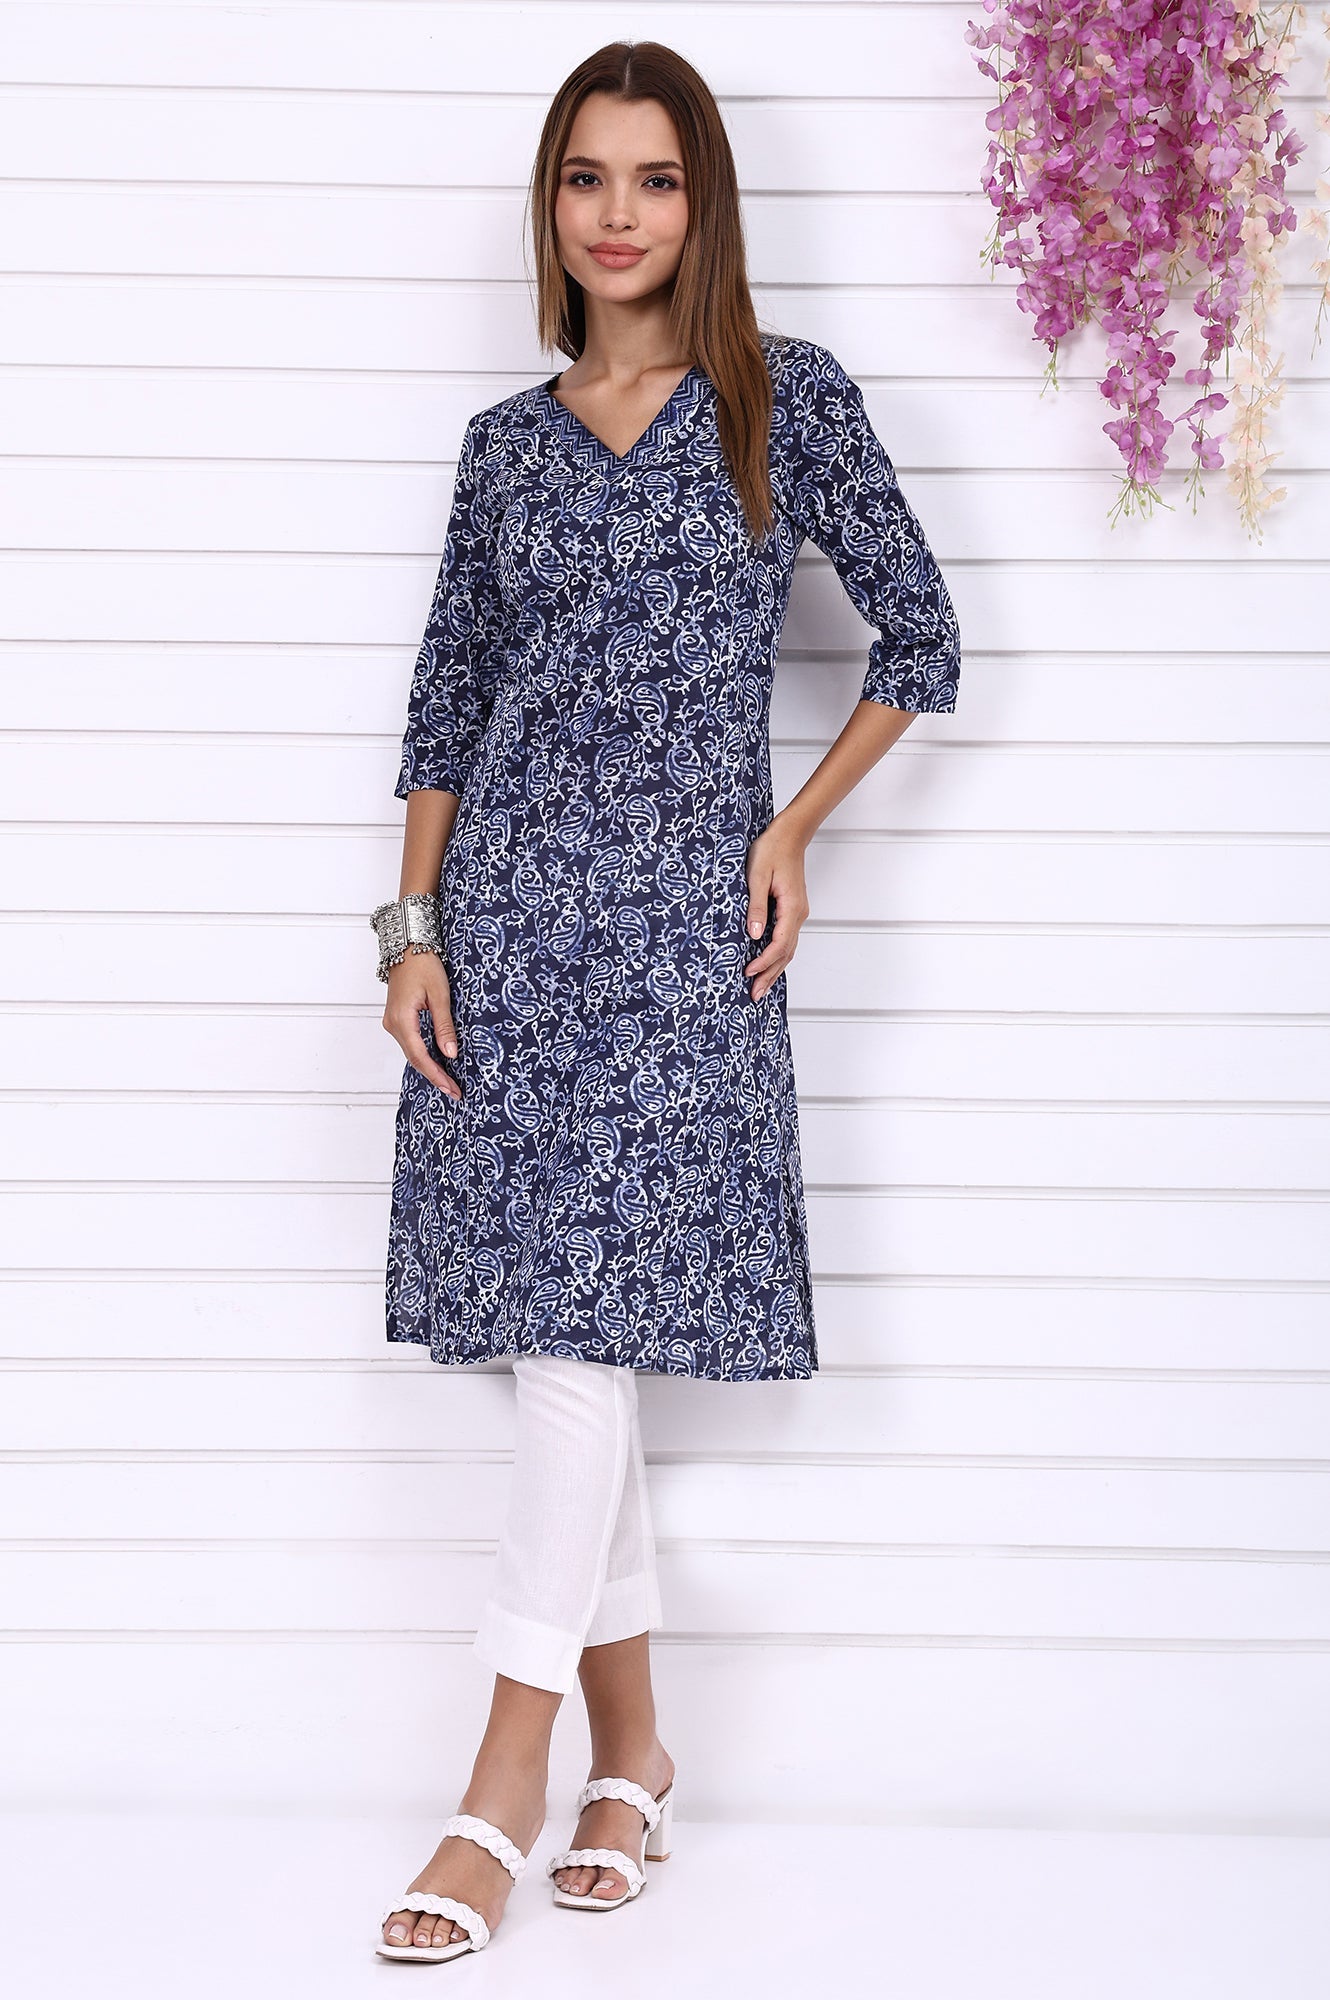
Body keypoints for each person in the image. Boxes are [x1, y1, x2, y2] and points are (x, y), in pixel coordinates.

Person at [372, 38, 961, 1963]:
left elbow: (921, 637)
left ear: (704, 203)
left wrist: (791, 827)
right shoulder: (504, 444)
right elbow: (448, 704)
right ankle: (630, 1760)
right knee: (574, 1355)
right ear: (548, 207)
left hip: (687, 948)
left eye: (653, 178)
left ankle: (499, 1788)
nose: (615, 214)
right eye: (584, 178)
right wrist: (409, 932)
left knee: (576, 1344)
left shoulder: (783, 403)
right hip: (509, 944)